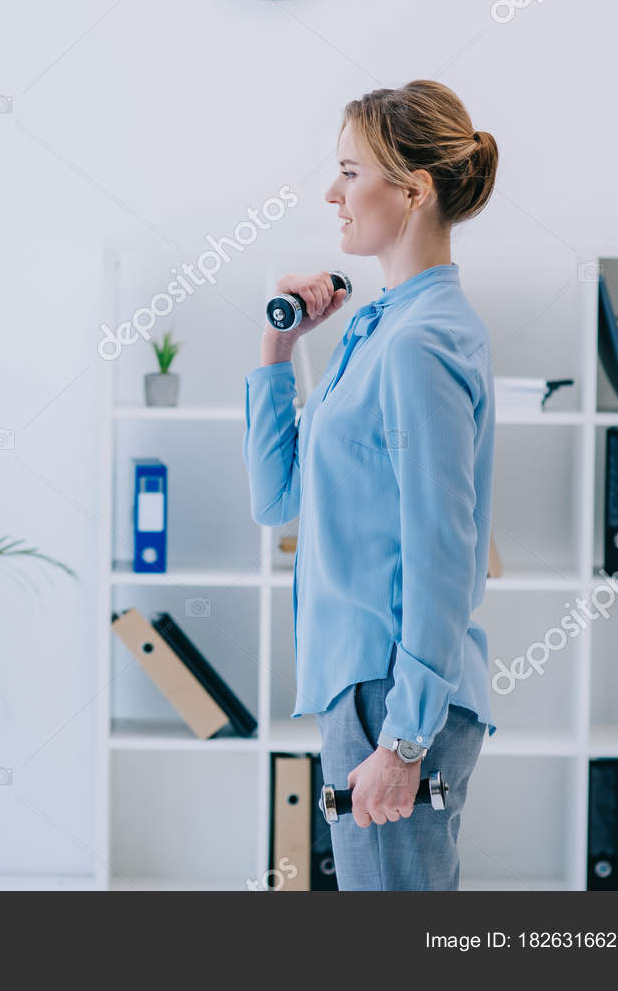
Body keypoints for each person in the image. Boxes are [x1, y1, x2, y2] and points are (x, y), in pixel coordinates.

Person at [243, 80, 499, 890]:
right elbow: (277, 501)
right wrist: (277, 356)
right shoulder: (379, 327)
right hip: (364, 691)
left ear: (415, 190)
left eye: (351, 172)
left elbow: (443, 554)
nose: (333, 193)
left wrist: (405, 741)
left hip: (393, 695)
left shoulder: (421, 343)